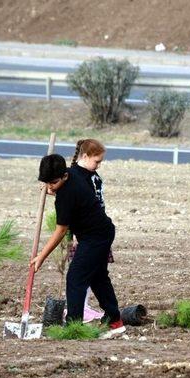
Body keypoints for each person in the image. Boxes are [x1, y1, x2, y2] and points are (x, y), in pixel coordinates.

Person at [31, 153, 125, 338]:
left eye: (53, 182)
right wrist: (52, 188)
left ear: (64, 176)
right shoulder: (72, 173)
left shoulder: (65, 196)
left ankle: (73, 328)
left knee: (75, 278)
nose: (50, 187)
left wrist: (41, 256)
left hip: (95, 237)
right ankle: (115, 321)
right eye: (47, 182)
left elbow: (60, 231)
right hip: (102, 232)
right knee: (98, 277)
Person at [68, 139, 114, 323]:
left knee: (91, 274)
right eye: (97, 161)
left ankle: (83, 313)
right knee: (92, 274)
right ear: (85, 156)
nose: (99, 166)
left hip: (94, 231)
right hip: (87, 232)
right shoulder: (75, 177)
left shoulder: (93, 178)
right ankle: (107, 315)